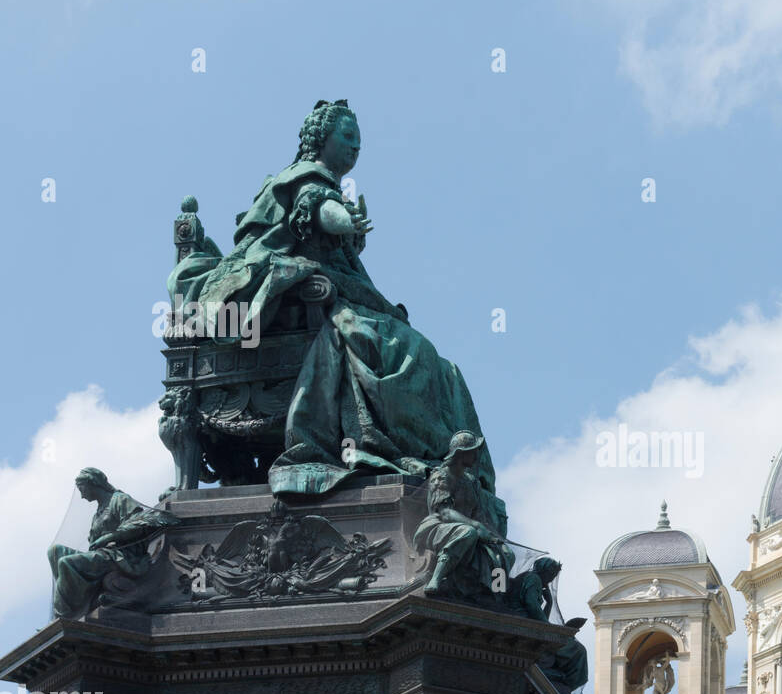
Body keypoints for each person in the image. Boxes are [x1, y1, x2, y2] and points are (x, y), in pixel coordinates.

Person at [168, 100, 505, 532]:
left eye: (359, 141)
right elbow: (317, 210)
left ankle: (434, 458)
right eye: (347, 137)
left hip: (329, 297)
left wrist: (346, 225)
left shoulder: (319, 183)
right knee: (398, 350)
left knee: (436, 364)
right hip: (299, 309)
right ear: (320, 139)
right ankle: (401, 448)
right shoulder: (305, 180)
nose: (355, 147)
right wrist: (347, 220)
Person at [47, 468, 177, 619]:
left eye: (81, 488)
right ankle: (75, 604)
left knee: (66, 563)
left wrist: (108, 538)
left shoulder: (120, 499)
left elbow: (139, 526)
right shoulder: (98, 513)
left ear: (93, 483)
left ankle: (64, 617)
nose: (81, 496)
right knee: (55, 551)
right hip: (104, 556)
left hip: (122, 556)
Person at [413, 432, 514, 599]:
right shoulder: (441, 476)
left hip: (470, 529)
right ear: (460, 453)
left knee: (505, 552)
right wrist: (475, 526)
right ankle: (436, 578)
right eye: (472, 451)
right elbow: (443, 512)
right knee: (467, 532)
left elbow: (479, 516)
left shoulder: (472, 481)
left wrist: (492, 536)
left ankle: (491, 593)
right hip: (438, 527)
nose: (476, 455)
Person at [507, 556, 589, 690]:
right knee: (578, 650)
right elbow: (531, 605)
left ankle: (560, 682)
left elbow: (536, 614)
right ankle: (562, 682)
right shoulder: (534, 579)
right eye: (551, 575)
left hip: (529, 624)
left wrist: (549, 604)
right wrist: (550, 629)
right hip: (525, 625)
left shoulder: (531, 578)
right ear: (545, 571)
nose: (551, 579)